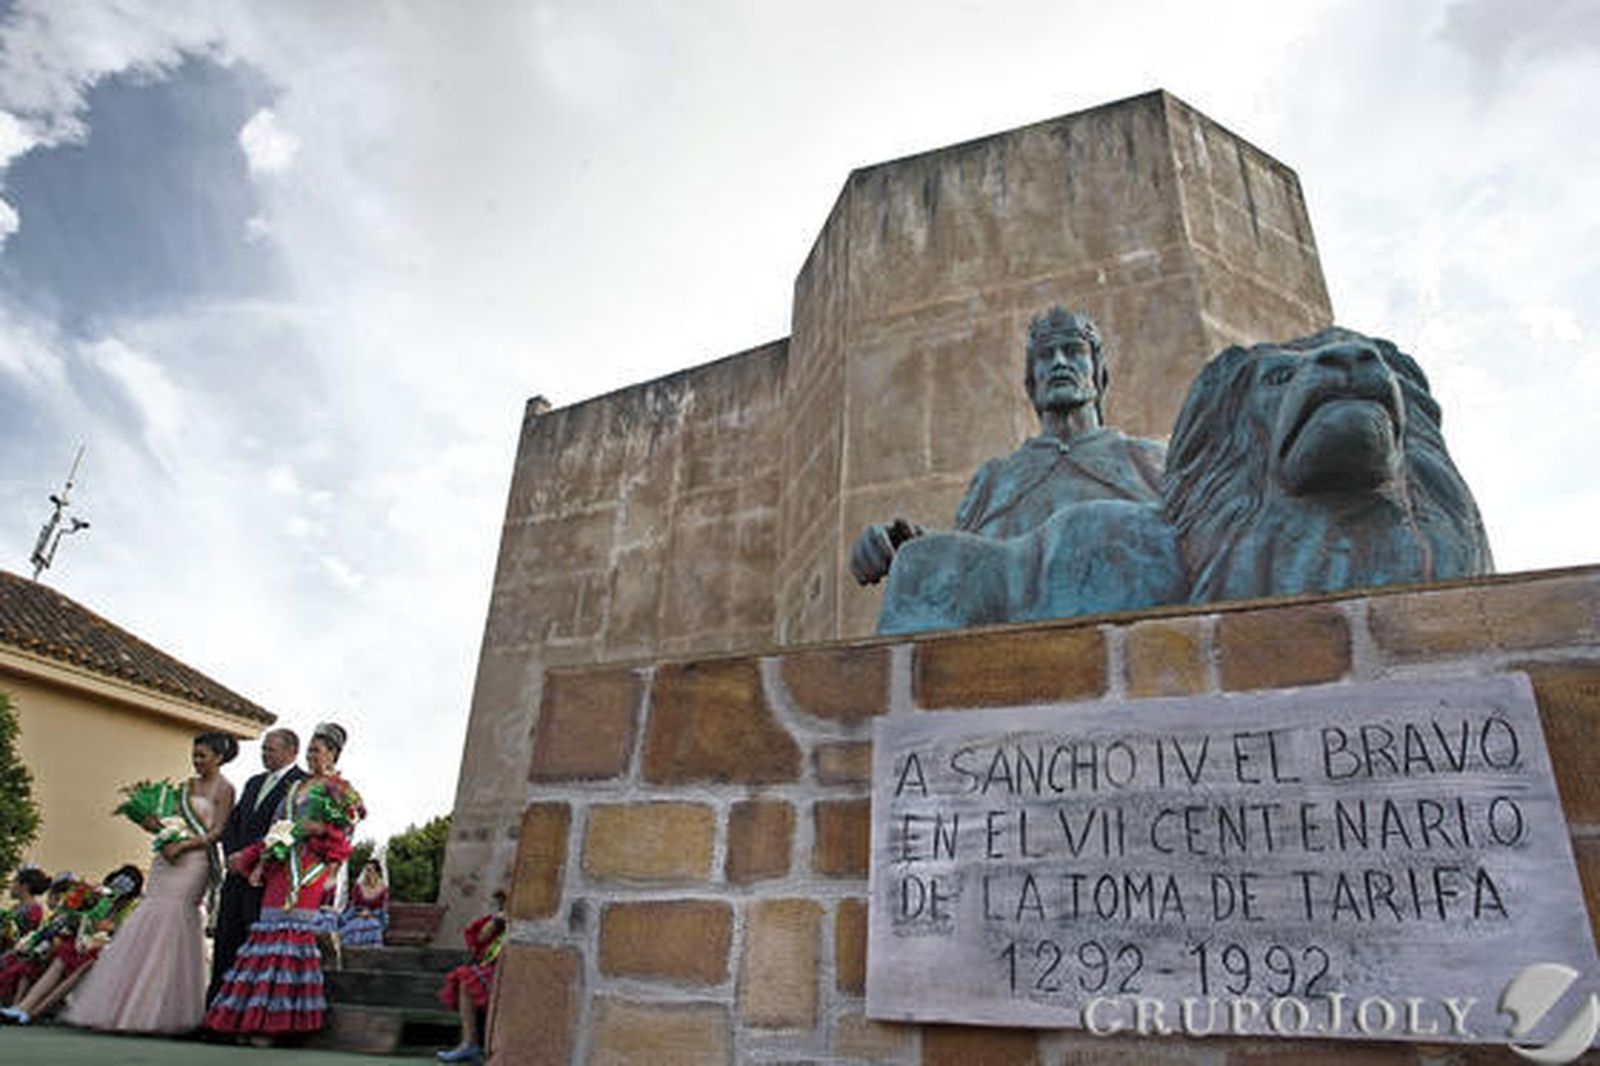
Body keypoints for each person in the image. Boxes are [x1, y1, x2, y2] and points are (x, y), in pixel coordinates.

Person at [849, 308, 1166, 583]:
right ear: (1031, 383)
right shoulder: (994, 480)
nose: (1059, 362)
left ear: (1099, 375)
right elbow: (968, 566)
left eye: (1074, 350)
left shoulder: (1146, 460)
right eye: (1045, 355)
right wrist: (902, 546)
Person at [59, 732, 239, 1033]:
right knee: (148, 916)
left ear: (219, 758)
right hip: (165, 862)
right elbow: (170, 818)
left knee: (174, 921)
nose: (196, 761)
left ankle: (158, 1012)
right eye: (194, 755)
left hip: (193, 863)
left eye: (203, 756)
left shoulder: (226, 789)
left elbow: (218, 831)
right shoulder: (185, 787)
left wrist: (183, 845)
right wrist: (156, 828)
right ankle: (121, 1007)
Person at [204, 721, 364, 1038]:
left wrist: (317, 831)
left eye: (317, 751)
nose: (311, 757)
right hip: (280, 864)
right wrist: (259, 860)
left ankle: (281, 1022)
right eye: (309, 751)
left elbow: (347, 828)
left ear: (333, 754)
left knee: (291, 936)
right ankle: (250, 1018)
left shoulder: (341, 789)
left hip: (310, 866)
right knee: (265, 936)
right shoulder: (296, 787)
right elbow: (278, 827)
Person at [208, 727, 305, 1005]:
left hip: (264, 878)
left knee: (251, 950)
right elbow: (233, 823)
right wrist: (233, 855)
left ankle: (241, 1012)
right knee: (225, 944)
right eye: (263, 749)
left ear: (291, 752)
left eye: (271, 750)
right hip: (236, 875)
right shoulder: (253, 782)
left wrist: (252, 859)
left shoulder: (300, 784)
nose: (265, 755)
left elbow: (287, 831)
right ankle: (213, 1011)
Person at [0, 865, 143, 1024]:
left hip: (109, 952)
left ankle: (33, 1011)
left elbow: (119, 931)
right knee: (56, 954)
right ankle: (21, 1007)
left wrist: (105, 927)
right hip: (85, 945)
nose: (114, 896)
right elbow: (89, 923)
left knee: (79, 963)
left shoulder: (135, 908)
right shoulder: (103, 902)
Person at [435, 888, 507, 1064]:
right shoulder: (499, 920)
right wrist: (497, 920)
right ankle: (470, 1043)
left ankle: (489, 1047)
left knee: (474, 979)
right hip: (493, 969)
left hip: (510, 972)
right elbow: (481, 939)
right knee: (466, 979)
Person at [339, 860, 389, 948]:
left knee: (372, 926)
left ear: (377, 872)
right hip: (357, 916)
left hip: (374, 917)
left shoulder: (383, 889)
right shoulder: (358, 887)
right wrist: (359, 912)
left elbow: (383, 909)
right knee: (354, 926)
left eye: (370, 870)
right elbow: (353, 906)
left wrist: (371, 913)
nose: (367, 873)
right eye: (366, 870)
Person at [0, 866, 49, 952]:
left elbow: (21, 936)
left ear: (24, 886)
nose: (11, 887)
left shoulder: (34, 910)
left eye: (14, 882)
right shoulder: (17, 907)